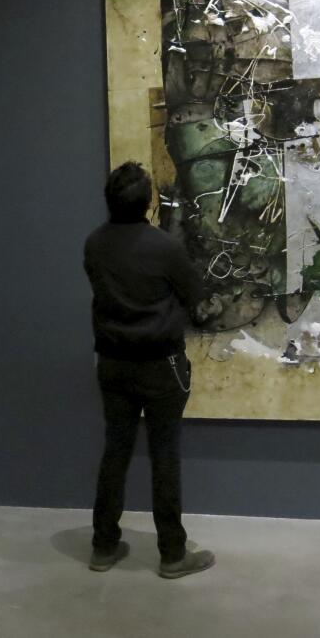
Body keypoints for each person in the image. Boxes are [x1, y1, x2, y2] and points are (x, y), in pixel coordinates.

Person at [83, 161, 216, 579]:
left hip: (113, 365)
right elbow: (199, 301)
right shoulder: (165, 247)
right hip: (163, 367)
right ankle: (172, 554)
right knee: (164, 457)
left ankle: (103, 546)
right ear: (148, 202)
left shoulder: (94, 245)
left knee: (115, 453)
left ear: (109, 199)